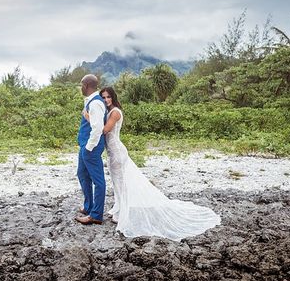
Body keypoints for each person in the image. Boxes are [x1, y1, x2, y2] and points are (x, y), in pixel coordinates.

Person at [87, 86, 221, 241]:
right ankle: (119, 209)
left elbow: (104, 130)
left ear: (113, 97)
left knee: (121, 184)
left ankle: (122, 212)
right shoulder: (109, 111)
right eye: (103, 97)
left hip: (117, 152)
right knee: (117, 184)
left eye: (108, 97)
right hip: (112, 152)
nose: (105, 100)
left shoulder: (115, 112)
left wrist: (89, 116)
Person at [75, 74, 107, 225]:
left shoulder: (95, 104)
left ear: (86, 85)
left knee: (97, 180)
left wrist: (88, 147)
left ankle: (96, 214)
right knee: (82, 174)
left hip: (91, 147)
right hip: (86, 145)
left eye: (81, 85)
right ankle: (89, 207)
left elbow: (97, 128)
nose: (80, 87)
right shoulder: (91, 101)